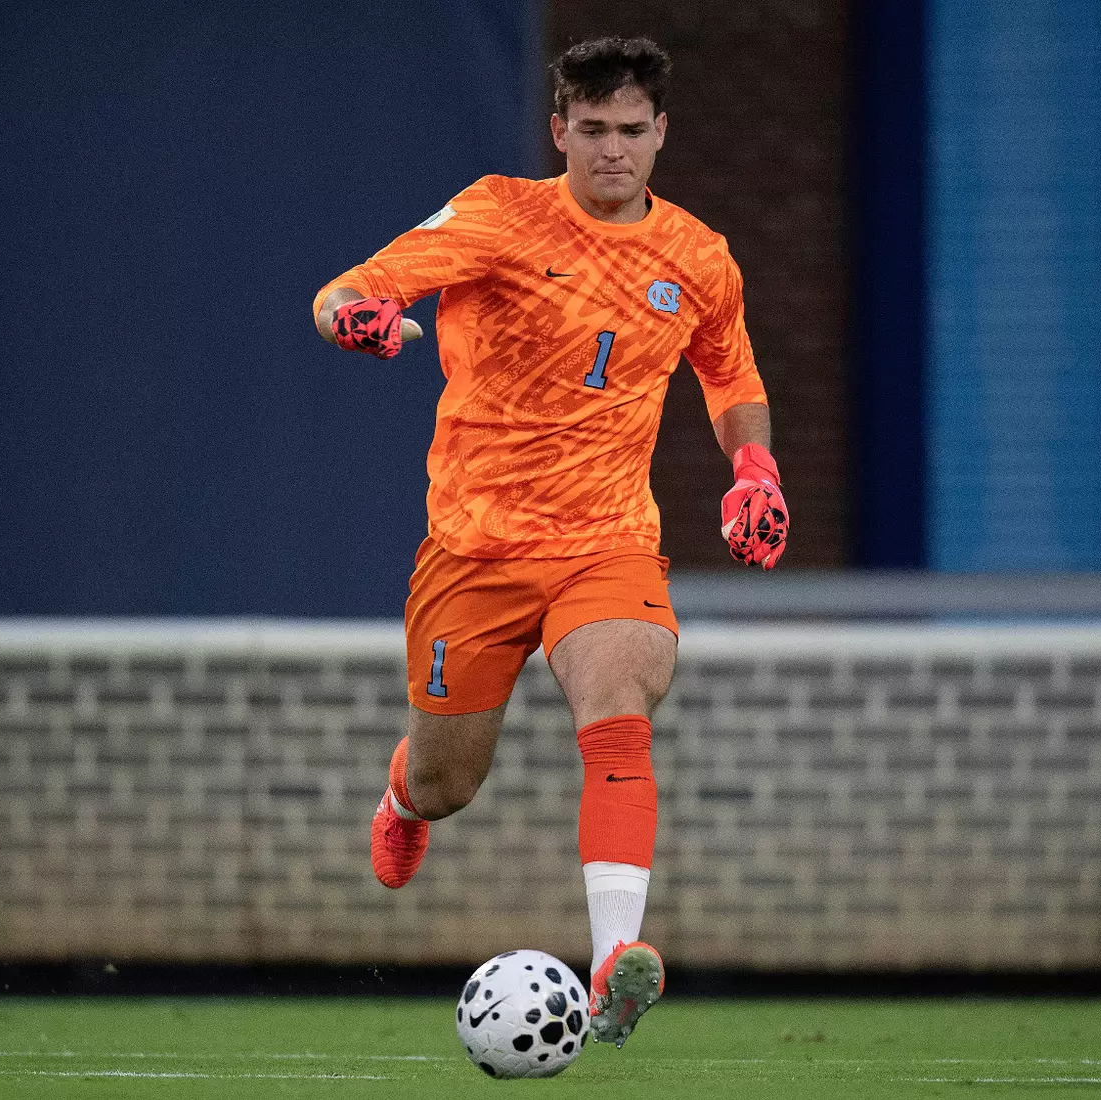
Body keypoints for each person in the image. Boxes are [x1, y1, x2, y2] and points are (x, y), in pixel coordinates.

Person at [312, 35, 788, 1049]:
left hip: (606, 539)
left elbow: (731, 377)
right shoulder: (498, 213)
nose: (613, 150)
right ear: (559, 129)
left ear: (661, 134)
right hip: (475, 545)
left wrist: (757, 472)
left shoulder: (697, 257)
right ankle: (404, 796)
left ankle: (617, 957)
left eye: (633, 131)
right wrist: (357, 317)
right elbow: (348, 289)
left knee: (621, 696)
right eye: (593, 130)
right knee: (451, 780)